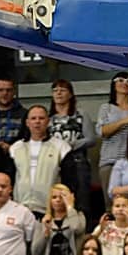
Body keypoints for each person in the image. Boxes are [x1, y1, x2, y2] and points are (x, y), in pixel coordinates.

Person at [10, 106, 72, 221]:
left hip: (50, 210)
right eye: (33, 118)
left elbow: (69, 180)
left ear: (48, 122)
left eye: (41, 118)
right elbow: (10, 178)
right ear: (27, 123)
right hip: (20, 208)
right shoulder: (15, 148)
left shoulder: (62, 147)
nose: (37, 121)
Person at [95, 72, 128, 201]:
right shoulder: (106, 108)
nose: (125, 83)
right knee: (112, 202)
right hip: (109, 161)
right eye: (120, 80)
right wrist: (125, 121)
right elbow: (101, 131)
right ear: (113, 85)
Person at [48, 79, 95, 224]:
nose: (58, 93)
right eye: (55, 90)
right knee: (57, 201)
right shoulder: (48, 118)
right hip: (55, 164)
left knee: (81, 201)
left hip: (78, 162)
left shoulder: (81, 115)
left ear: (70, 94)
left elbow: (91, 139)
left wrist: (70, 145)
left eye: (62, 90)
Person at [28, 184, 84, 255]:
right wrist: (45, 233)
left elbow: (76, 228)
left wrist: (70, 207)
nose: (58, 200)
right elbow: (35, 251)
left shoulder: (78, 216)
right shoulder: (43, 221)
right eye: (54, 197)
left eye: (62, 197)